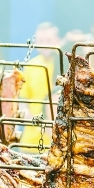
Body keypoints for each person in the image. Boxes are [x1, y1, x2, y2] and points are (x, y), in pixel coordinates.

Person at [18, 22, 62, 151]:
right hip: (31, 141)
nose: (45, 44)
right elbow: (22, 101)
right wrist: (33, 120)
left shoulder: (63, 64)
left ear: (57, 40)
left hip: (58, 140)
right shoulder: (30, 66)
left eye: (49, 40)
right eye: (42, 40)